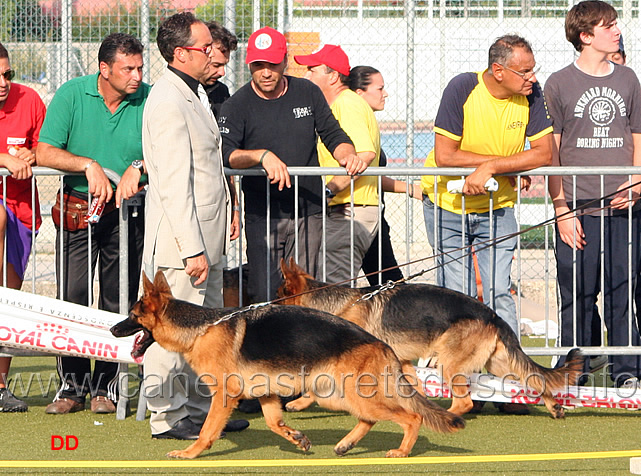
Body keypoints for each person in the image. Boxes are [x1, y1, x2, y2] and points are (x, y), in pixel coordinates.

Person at [420, 34, 553, 415]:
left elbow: (543, 153)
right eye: (524, 70)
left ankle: (512, 387)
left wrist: (492, 166)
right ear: (499, 70)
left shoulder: (532, 95)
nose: (532, 77)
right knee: (457, 297)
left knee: (498, 294)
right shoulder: (462, 87)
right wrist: (507, 162)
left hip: (498, 206)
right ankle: (465, 389)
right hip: (447, 206)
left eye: (532, 69)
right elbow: (445, 155)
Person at [141, 12, 248, 440]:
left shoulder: (195, 92)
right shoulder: (168, 100)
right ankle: (166, 417)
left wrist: (228, 210)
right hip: (182, 244)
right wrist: (191, 248)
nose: (212, 55)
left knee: (207, 333)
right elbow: (172, 181)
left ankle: (203, 410)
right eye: (205, 48)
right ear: (181, 52)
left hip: (207, 236)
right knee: (172, 333)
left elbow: (208, 169)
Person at [36, 33, 149, 415]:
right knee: (71, 297)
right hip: (77, 210)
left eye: (139, 67)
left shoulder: (149, 98)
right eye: (128, 69)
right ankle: (71, 386)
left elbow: (163, 149)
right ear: (104, 69)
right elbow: (45, 150)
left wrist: (137, 167)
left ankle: (107, 387)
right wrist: (88, 164)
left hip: (128, 212)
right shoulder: (71, 94)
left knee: (118, 300)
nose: (136, 76)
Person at [219, 26, 365, 302]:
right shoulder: (236, 105)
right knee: (265, 292)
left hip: (307, 210)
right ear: (249, 64)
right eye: (258, 64)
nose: (265, 72)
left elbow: (333, 133)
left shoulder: (307, 91)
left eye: (272, 64)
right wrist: (261, 156)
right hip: (263, 214)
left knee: (303, 293)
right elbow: (227, 154)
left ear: (284, 61)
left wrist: (347, 154)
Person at [545, 0, 641, 388]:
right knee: (578, 296)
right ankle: (575, 373)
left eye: (616, 24)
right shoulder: (558, 83)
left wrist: (636, 182)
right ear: (586, 36)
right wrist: (561, 209)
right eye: (608, 25)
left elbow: (638, 139)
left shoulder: (629, 79)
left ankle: (627, 374)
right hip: (578, 209)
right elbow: (550, 152)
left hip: (625, 211)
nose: (617, 30)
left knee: (622, 293)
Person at [294, 45, 380, 284]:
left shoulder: (347, 104)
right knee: (329, 287)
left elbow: (364, 155)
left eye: (312, 70)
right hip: (346, 208)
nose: (306, 76)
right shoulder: (340, 104)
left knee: (334, 291)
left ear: (333, 76)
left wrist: (329, 191)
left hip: (349, 210)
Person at [0, 42, 46, 412]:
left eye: (8, 74)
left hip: (23, 212)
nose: (3, 83)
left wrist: (34, 154)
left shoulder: (29, 100)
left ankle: (0, 385)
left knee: (9, 301)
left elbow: (45, 146)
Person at [348, 65, 422, 285]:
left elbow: (371, 177)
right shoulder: (352, 126)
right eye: (380, 89)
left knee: (390, 286)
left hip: (373, 216)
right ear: (360, 93)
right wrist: (409, 188)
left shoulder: (366, 123)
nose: (385, 94)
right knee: (389, 287)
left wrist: (411, 189)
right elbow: (359, 172)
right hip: (355, 216)